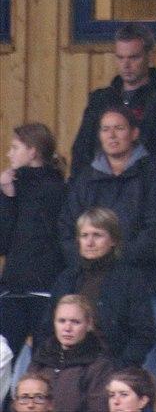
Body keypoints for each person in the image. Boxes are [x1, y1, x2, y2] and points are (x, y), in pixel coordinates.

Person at [71, 23, 156, 229]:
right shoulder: (100, 101)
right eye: (120, 58)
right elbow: (82, 152)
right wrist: (80, 195)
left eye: (134, 57)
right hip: (100, 204)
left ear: (149, 55)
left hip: (150, 208)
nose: (126, 65)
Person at [60, 106, 156, 322]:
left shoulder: (153, 174)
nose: (111, 135)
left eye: (119, 128)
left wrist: (113, 262)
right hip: (89, 286)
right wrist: (87, 263)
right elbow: (67, 229)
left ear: (134, 133)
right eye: (105, 129)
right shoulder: (85, 179)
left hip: (143, 284)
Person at [47, 208, 155, 367]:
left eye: (97, 235)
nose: (90, 242)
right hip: (67, 367)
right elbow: (47, 328)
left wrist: (119, 368)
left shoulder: (131, 279)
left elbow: (143, 334)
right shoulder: (66, 278)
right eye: (84, 236)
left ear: (113, 240)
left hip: (114, 367)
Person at [0, 123, 66, 356]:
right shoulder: (10, 189)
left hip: (45, 289)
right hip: (12, 289)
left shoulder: (57, 191)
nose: (9, 154)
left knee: (44, 358)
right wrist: (7, 198)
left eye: (14, 147)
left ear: (33, 151)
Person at [31, 294, 113, 412]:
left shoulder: (100, 365)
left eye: (75, 322)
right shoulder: (41, 357)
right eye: (61, 321)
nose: (67, 328)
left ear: (89, 324)